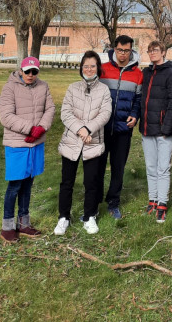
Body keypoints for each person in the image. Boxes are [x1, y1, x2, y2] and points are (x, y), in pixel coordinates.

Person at [54, 52, 112, 236]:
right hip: (72, 141)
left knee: (92, 182)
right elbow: (66, 113)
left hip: (93, 141)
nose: (89, 69)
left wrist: (89, 129)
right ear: (81, 68)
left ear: (98, 68)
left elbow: (105, 113)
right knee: (67, 182)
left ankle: (90, 216)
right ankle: (63, 217)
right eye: (86, 66)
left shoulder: (104, 90)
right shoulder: (72, 88)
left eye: (92, 66)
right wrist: (81, 129)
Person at [0, 57, 55, 243]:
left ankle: (24, 224)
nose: (31, 75)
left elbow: (50, 109)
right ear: (21, 70)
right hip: (18, 143)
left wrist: (41, 128)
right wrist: (30, 128)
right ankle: (7, 226)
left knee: (28, 184)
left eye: (34, 71)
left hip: (36, 143)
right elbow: (6, 116)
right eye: (27, 71)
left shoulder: (43, 86)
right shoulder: (9, 87)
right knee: (15, 185)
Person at [97, 34, 143, 220]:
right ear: (114, 49)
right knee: (98, 166)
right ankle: (94, 199)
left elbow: (138, 100)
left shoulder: (138, 74)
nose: (123, 54)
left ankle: (113, 203)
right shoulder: (103, 69)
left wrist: (135, 115)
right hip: (102, 127)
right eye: (119, 50)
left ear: (131, 51)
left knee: (118, 168)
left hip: (123, 129)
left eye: (127, 51)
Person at [139, 40, 172, 223]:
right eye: (150, 51)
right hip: (147, 127)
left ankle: (162, 203)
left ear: (163, 52)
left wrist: (167, 127)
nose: (152, 53)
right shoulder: (146, 73)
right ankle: (153, 199)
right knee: (150, 167)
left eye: (155, 50)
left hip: (163, 129)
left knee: (162, 168)